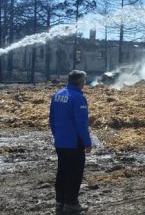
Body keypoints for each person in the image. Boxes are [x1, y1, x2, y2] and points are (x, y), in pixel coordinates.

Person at [49, 70, 92, 214]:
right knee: (74, 173)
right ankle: (71, 203)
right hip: (74, 143)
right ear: (80, 82)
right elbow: (81, 124)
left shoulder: (57, 95)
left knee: (62, 172)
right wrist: (87, 142)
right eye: (84, 80)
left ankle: (59, 202)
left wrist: (57, 136)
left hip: (60, 141)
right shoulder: (78, 98)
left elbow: (52, 119)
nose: (85, 83)